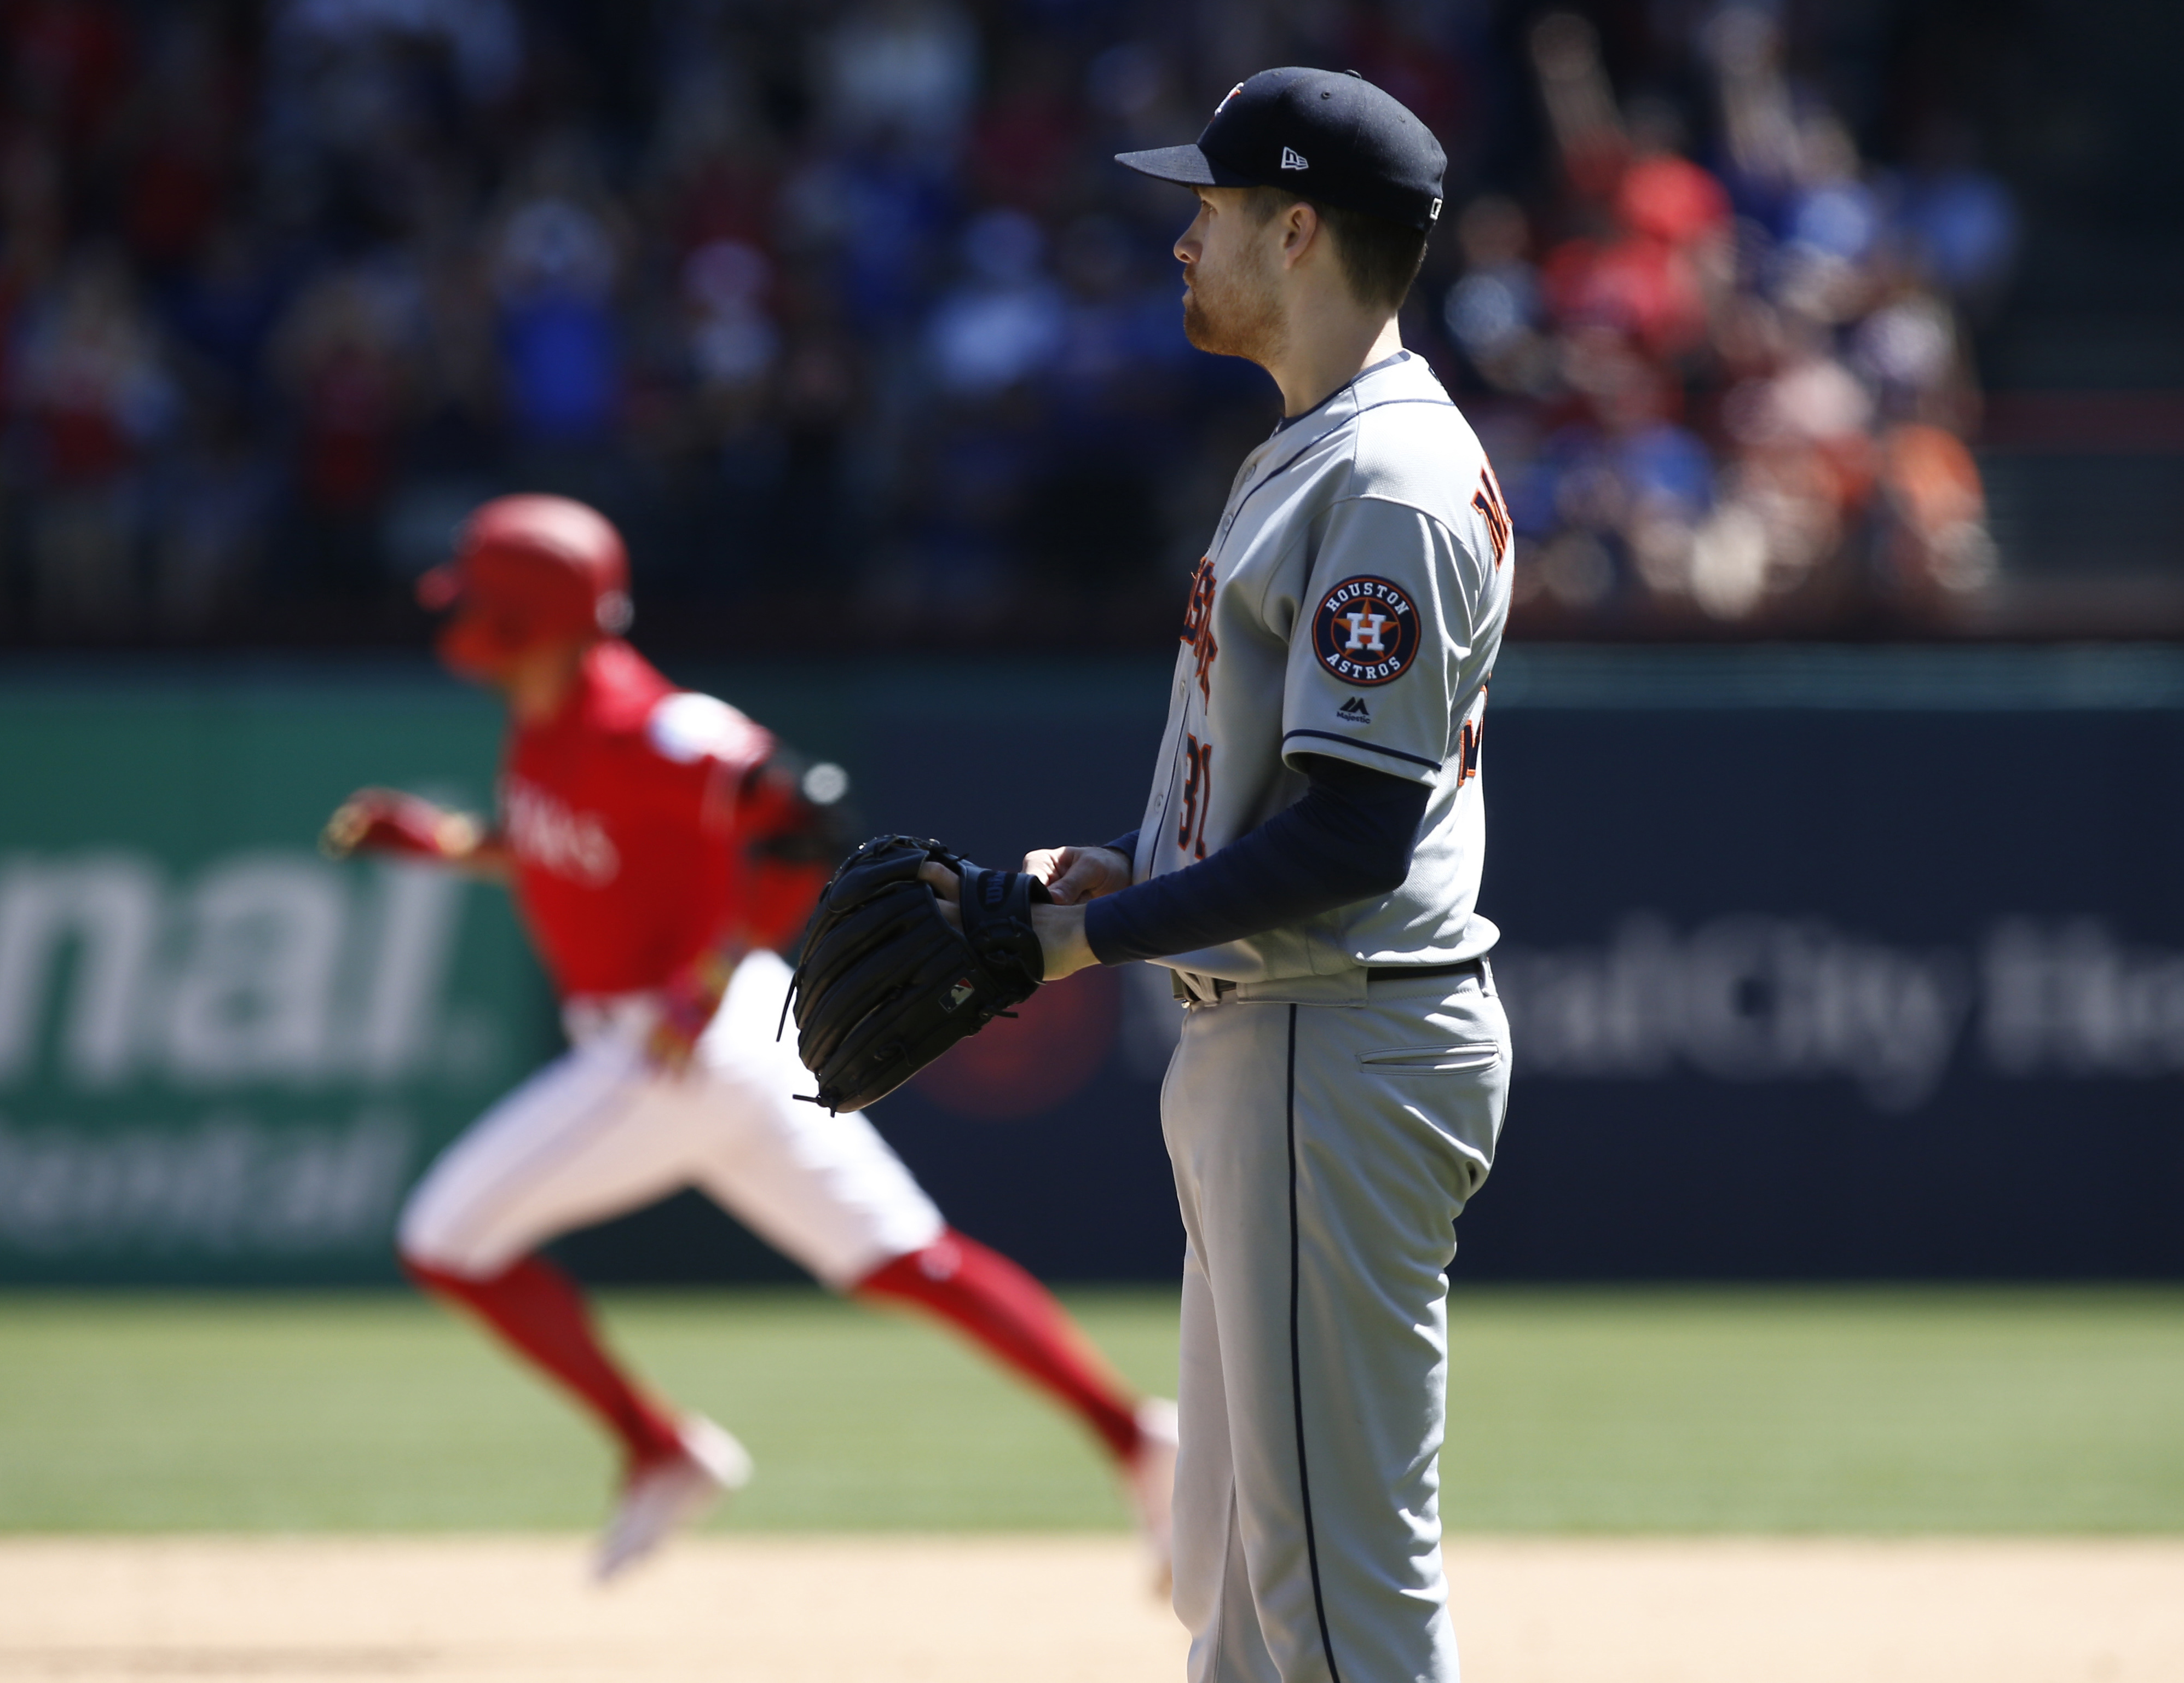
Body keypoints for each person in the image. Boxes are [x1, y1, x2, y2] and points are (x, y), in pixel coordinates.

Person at [320, 493, 1174, 1582]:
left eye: (479, 598)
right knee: (907, 1259)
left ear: (528, 612)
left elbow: (804, 811)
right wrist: (444, 844)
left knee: (444, 1235)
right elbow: (570, 849)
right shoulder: (549, 715)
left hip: (674, 1045)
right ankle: (1134, 1433)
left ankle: (658, 1446)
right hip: (709, 1042)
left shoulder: (646, 720)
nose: (460, 618)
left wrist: (702, 981)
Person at [971, 67, 1512, 1683]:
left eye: (1208, 211)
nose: (1182, 242)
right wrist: (1131, 866)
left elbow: (1352, 839)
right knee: (1248, 1610)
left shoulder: (1388, 481)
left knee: (1336, 1608)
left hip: (1328, 1038)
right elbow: (1304, 794)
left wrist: (1086, 941)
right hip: (1279, 1038)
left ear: (1296, 228)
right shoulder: (1320, 447)